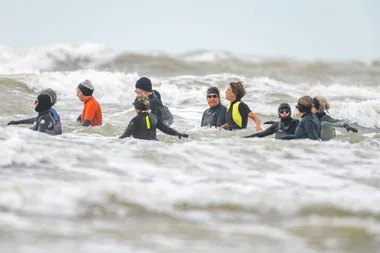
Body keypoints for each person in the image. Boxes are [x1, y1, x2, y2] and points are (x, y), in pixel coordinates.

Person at [119, 94, 188, 140]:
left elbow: (124, 137)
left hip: (141, 147)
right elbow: (166, 129)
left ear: (136, 107)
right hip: (154, 145)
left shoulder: (135, 120)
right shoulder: (154, 117)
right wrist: (177, 133)